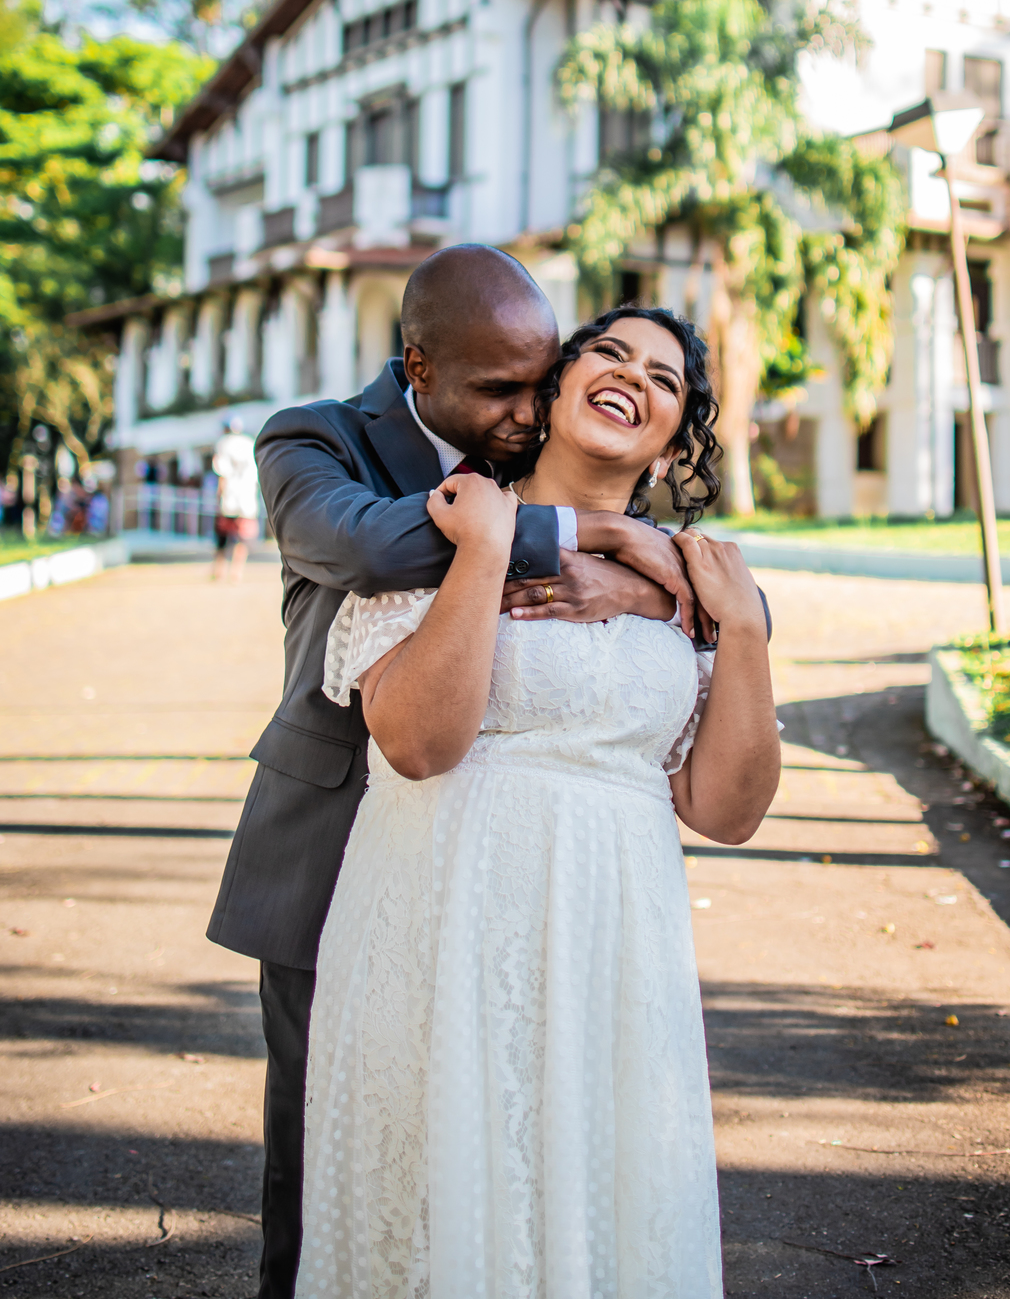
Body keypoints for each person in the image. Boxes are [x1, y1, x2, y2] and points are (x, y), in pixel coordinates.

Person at [208, 247, 705, 1299]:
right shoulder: (317, 438)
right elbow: (361, 546)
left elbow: (692, 597)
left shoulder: (542, 451)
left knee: (509, 1144)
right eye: (501, 390)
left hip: (502, 867)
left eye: (542, 381)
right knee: (328, 1167)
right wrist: (592, 533)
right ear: (419, 368)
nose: (528, 412)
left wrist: (648, 589)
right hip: (335, 837)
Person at [295, 306, 780, 1297]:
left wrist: (740, 628)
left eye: (665, 377)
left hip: (614, 951)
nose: (632, 376)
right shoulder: (435, 524)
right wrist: (486, 551)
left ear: (676, 433)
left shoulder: (694, 580)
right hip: (441, 930)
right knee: (435, 1216)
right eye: (608, 352)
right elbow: (420, 743)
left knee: (601, 1217)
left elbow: (727, 809)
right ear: (552, 388)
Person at [211, 417, 261, 580]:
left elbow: (222, 472)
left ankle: (218, 571)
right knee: (243, 539)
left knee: (222, 537)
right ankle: (236, 572)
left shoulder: (223, 444)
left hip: (229, 497)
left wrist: (218, 496)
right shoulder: (250, 442)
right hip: (247, 497)